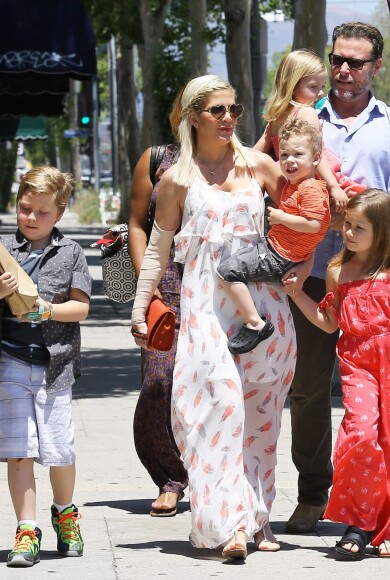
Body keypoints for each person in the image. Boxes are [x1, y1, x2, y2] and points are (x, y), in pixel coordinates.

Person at [130, 74, 295, 560]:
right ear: (194, 116)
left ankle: (256, 518)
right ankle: (228, 525)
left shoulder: (261, 167)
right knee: (213, 412)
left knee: (261, 421)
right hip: (203, 307)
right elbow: (159, 253)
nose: (228, 119)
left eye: (234, 110)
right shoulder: (176, 179)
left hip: (263, 308)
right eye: (218, 110)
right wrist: (142, 309)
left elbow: (308, 222)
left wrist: (301, 271)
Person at [285, 21, 390, 546]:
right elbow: (272, 177)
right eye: (337, 60)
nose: (344, 71)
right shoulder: (300, 120)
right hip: (317, 273)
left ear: (376, 67)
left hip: (375, 282)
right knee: (306, 390)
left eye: (356, 63)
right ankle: (313, 493)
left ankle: (388, 508)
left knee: (388, 406)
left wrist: (371, 208)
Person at [288, 189, 390, 559]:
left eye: (360, 227)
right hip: (357, 360)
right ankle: (358, 518)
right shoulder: (338, 271)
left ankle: (381, 527)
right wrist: (297, 295)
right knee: (360, 432)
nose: (349, 233)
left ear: (384, 230)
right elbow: (328, 323)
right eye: (348, 225)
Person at [0, 166, 92, 567]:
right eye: (25, 209)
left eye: (41, 212)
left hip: (56, 367)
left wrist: (49, 309)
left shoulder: (70, 252)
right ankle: (25, 530)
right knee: (19, 451)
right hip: (11, 362)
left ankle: (65, 513)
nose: (31, 218)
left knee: (58, 451)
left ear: (58, 213)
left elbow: (82, 307)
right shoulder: (4, 249)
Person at [218, 118, 330, 354]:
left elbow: (314, 224)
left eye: (298, 154)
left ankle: (255, 323)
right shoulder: (295, 184)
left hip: (279, 256)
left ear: (316, 158)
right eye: (284, 154)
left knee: (228, 271)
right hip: (278, 250)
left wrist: (281, 218)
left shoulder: (311, 188)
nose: (289, 160)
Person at [128, 88, 188, 518]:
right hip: (163, 280)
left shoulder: (236, 162)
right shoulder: (156, 159)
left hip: (218, 284)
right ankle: (169, 476)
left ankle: (205, 476)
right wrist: (146, 286)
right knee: (158, 382)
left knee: (211, 383)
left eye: (227, 109)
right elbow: (136, 223)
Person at [254, 49, 353, 209]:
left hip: (291, 184)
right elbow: (317, 155)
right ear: (291, 86)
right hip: (318, 180)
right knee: (360, 199)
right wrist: (334, 187)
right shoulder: (307, 112)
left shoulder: (275, 118)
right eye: (313, 87)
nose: (320, 93)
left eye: (322, 86)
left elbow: (256, 154)